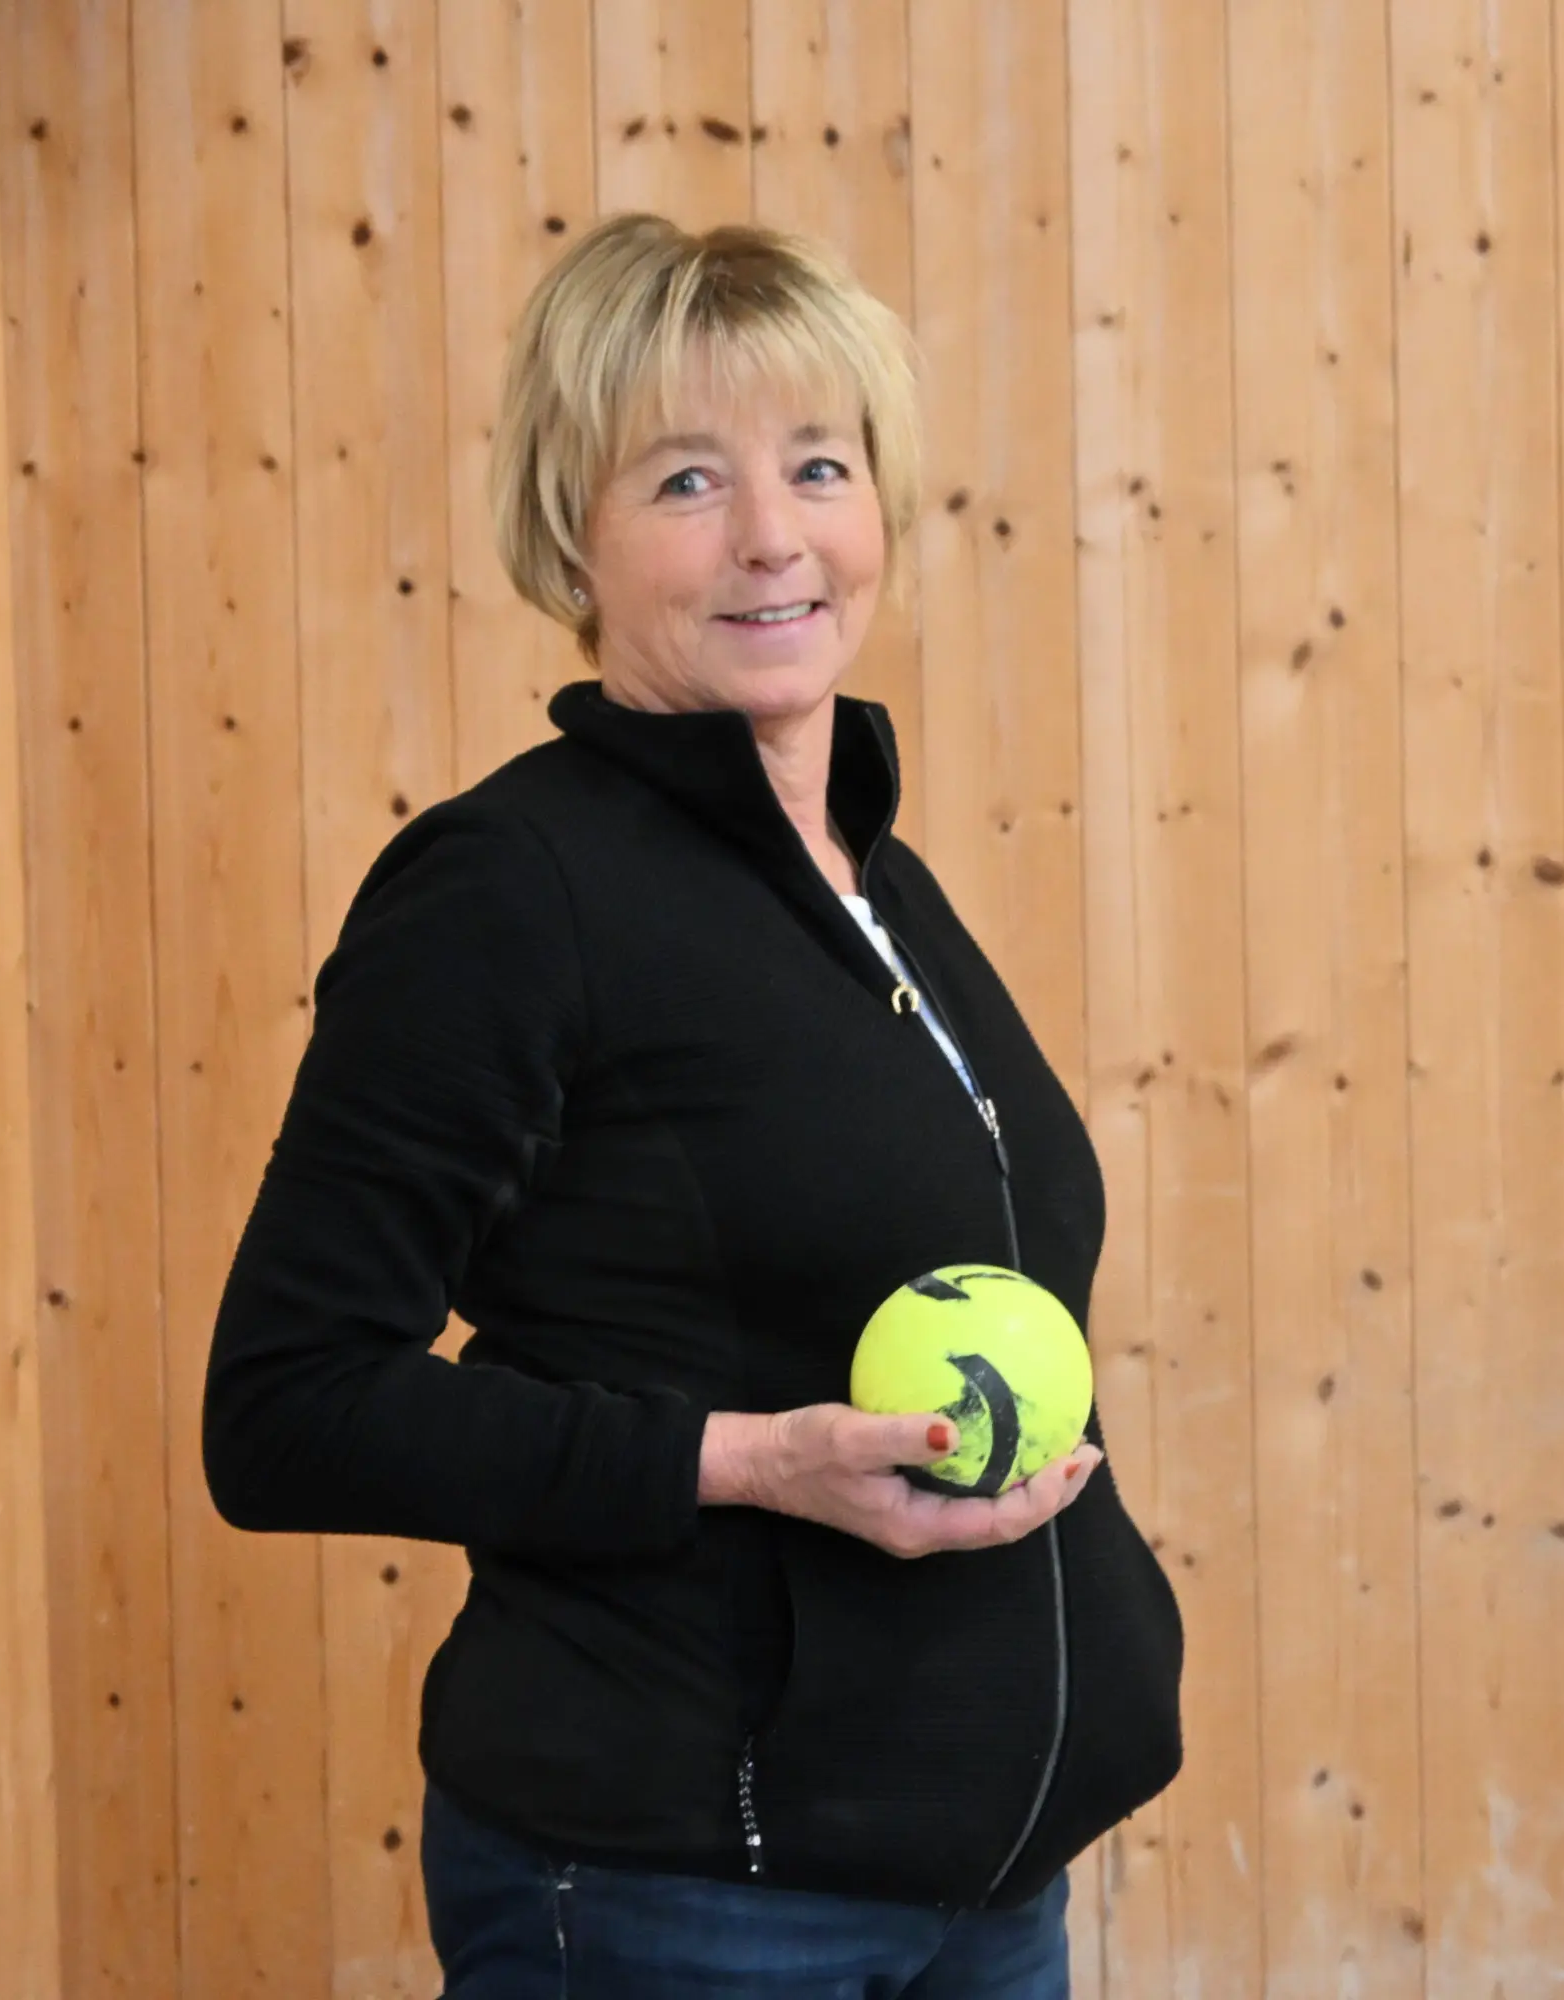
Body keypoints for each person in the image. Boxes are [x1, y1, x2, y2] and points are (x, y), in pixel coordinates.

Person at [203, 211, 1183, 1998]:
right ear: (570, 535)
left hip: (977, 1886)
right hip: (686, 1902)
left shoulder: (875, 875)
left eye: (819, 464)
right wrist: (749, 1461)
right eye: (684, 481)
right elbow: (283, 1409)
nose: (772, 536)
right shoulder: (507, 891)